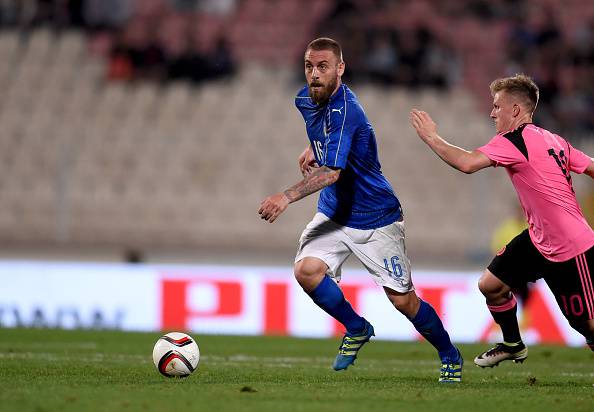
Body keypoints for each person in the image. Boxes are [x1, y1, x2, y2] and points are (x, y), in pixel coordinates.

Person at [258, 37, 463, 383]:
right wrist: (314, 145)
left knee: (404, 303)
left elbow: (333, 171)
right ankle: (357, 327)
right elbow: (329, 133)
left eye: (323, 66)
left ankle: (450, 354)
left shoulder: (348, 110)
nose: (314, 74)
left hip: (375, 216)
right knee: (307, 271)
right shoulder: (304, 100)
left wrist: (286, 196)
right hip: (334, 212)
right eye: (309, 66)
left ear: (340, 68)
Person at [410, 73, 594, 368]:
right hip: (539, 239)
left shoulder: (513, 139)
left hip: (572, 246)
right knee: (491, 285)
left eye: (497, 106)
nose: (492, 112)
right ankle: (512, 343)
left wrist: (431, 136)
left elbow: (467, 163)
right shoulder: (554, 139)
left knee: (587, 326)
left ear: (516, 111)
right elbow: (591, 167)